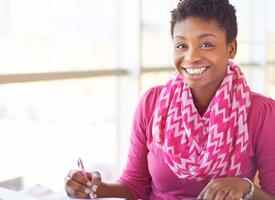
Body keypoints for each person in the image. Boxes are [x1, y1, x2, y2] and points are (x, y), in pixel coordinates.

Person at [65, 0, 275, 199]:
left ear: (231, 48)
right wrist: (92, 187)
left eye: (206, 44)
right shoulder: (152, 104)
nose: (191, 57)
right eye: (181, 45)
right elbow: (134, 185)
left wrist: (246, 188)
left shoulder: (260, 112)